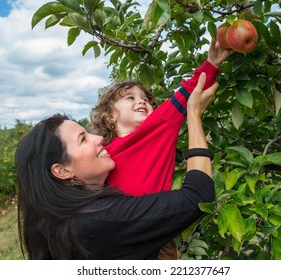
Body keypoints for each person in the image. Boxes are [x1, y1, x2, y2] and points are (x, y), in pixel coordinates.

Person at [16, 74, 218, 259]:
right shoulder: (105, 219)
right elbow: (198, 196)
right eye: (83, 139)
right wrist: (193, 114)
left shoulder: (63, 221)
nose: (99, 138)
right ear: (62, 170)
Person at [90, 40, 232, 196]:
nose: (142, 101)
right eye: (130, 98)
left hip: (157, 212)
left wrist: (212, 63)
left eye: (146, 99)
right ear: (110, 116)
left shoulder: (159, 125)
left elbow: (189, 91)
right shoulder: (102, 151)